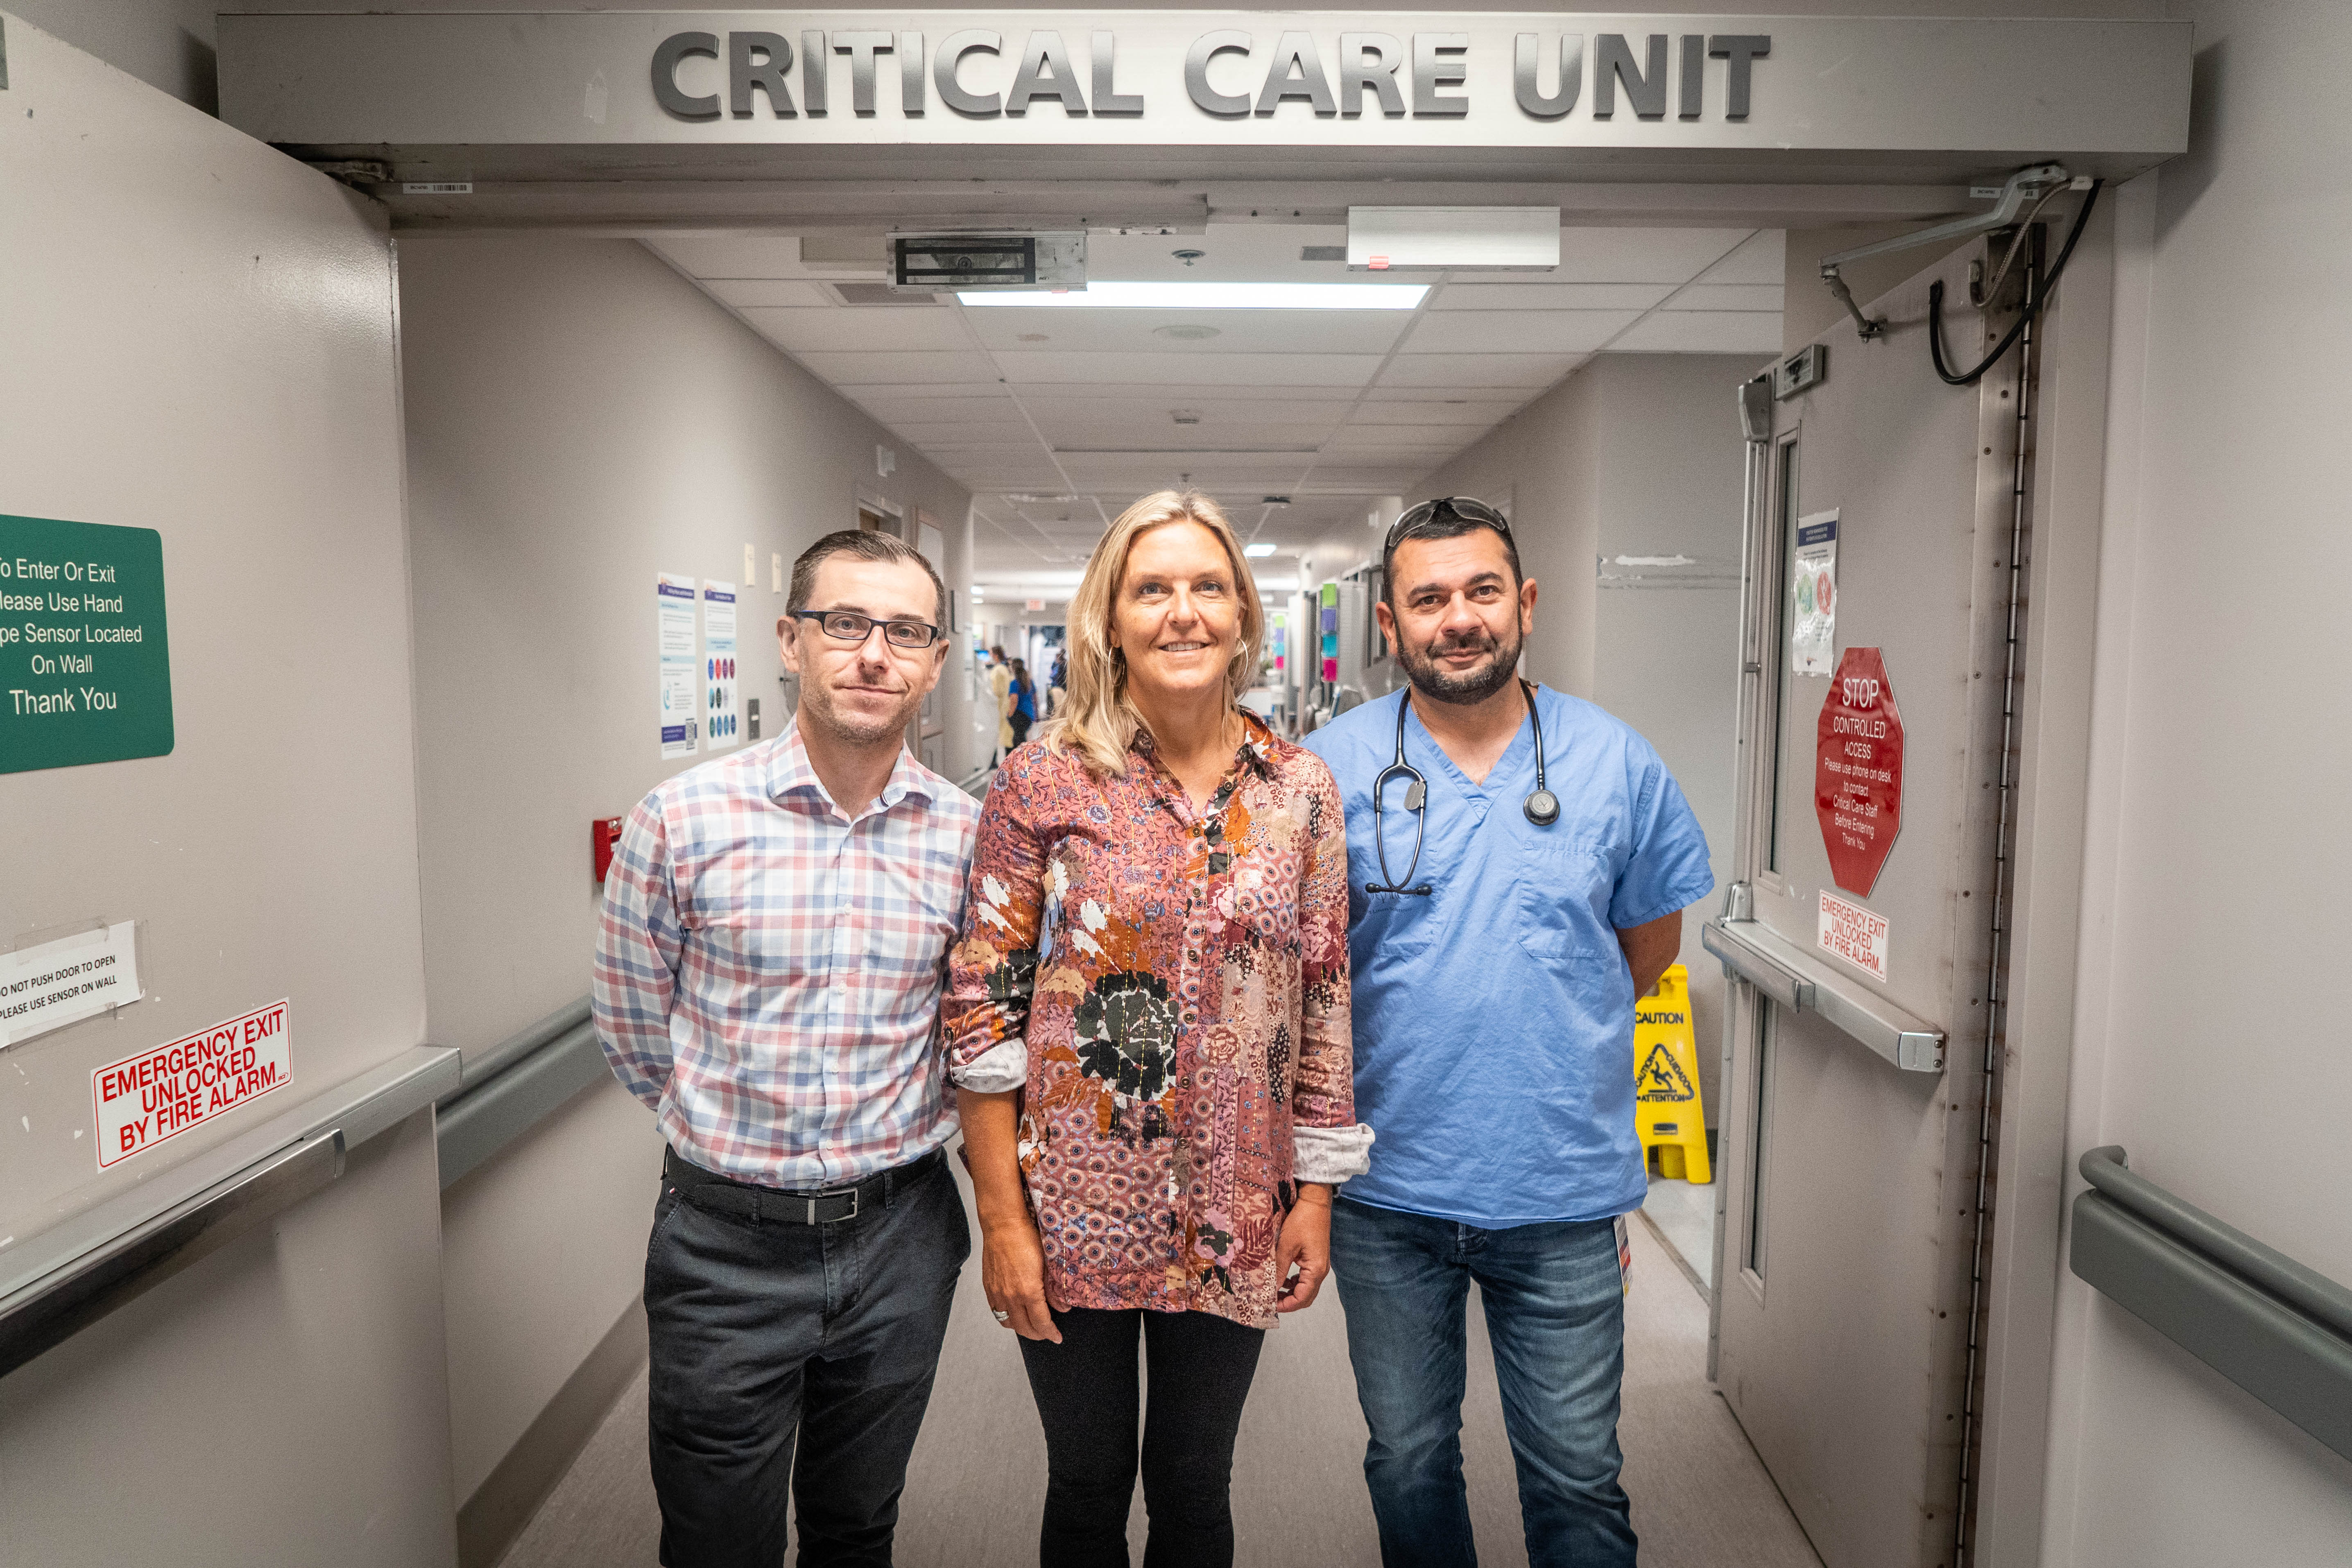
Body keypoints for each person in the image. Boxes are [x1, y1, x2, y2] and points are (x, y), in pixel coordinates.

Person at [944, 490, 1372, 1568]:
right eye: (1151, 588)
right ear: (1109, 616)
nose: (1180, 611)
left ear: (1239, 614)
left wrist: (1314, 1192)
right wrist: (1002, 1220)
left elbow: (1322, 996)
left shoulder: (1299, 791)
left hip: (1237, 1194)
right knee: (1085, 1484)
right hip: (1073, 1202)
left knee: (1193, 1485)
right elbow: (981, 1008)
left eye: (1205, 586)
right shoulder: (1039, 780)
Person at [1302, 497, 1714, 1568]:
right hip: (1384, 1196)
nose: (1458, 617)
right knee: (1405, 1459)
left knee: (1576, 1477)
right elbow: (1297, 975)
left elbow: (1646, 952)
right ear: (1388, 625)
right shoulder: (1324, 769)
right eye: (1427, 598)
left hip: (1562, 1194)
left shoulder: (1614, 761)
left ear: (1523, 603)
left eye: (1481, 590)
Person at [592, 528, 979, 1568]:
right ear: (789, 640)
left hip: (902, 1239)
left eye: (904, 632)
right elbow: (634, 1030)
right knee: (718, 1540)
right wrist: (736, 1135)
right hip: (725, 1249)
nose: (872, 654)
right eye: (844, 623)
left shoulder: (967, 839)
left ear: (935, 660)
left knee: (858, 1526)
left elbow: (979, 1027)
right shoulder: (680, 823)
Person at [988, 644, 1014, 764]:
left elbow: (996, 691)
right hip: (1005, 705)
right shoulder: (1005, 669)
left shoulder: (998, 670)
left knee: (998, 735)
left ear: (995, 655)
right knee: (1006, 736)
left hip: (1000, 707)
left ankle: (993, 762)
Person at [1007, 656, 1037, 747]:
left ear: (1013, 668)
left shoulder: (1015, 683)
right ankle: (1023, 758)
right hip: (1029, 715)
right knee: (1021, 738)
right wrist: (1036, 714)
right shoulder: (1029, 682)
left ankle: (1020, 759)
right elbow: (1035, 699)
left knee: (1018, 740)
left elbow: (1014, 700)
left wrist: (1009, 715)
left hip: (1019, 716)